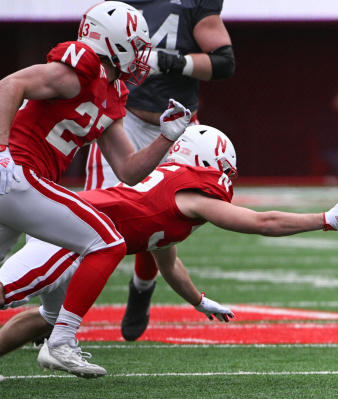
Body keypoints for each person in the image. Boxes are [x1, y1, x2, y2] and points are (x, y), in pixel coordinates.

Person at [0, 124, 338, 377]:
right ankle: (60, 344)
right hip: (66, 238)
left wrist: (199, 300)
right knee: (5, 293)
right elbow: (264, 223)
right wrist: (324, 219)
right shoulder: (190, 195)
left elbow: (167, 262)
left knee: (47, 318)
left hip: (76, 242)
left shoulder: (169, 193)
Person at [0, 1, 191, 378]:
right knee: (108, 241)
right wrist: (2, 149)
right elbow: (11, 84)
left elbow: (128, 170)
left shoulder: (109, 91)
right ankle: (61, 341)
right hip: (15, 172)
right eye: (135, 45)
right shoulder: (79, 69)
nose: (141, 55)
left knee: (79, 262)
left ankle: (56, 331)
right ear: (114, 42)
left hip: (20, 185)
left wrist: (166, 138)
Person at [83, 0, 235, 342]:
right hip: (125, 119)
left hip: (179, 124)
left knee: (163, 217)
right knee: (90, 216)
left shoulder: (195, 4)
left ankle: (142, 285)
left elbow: (224, 63)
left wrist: (168, 62)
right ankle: (53, 314)